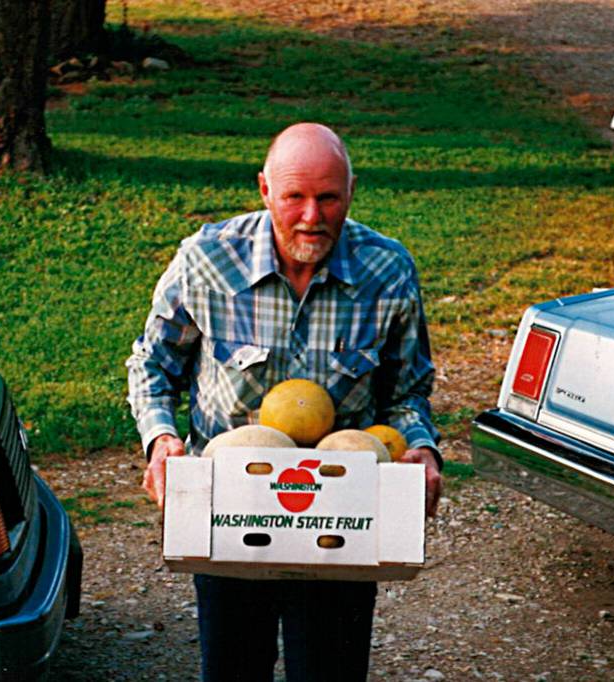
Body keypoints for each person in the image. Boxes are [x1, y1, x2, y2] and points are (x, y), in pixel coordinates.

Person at [126, 122, 442, 681]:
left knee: (331, 669)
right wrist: (162, 439)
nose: (311, 217)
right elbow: (152, 365)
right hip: (231, 503)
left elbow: (408, 390)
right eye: (294, 197)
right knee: (232, 667)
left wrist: (420, 447)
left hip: (342, 513)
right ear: (265, 190)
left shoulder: (387, 272)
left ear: (351, 192)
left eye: (328, 198)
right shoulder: (206, 261)